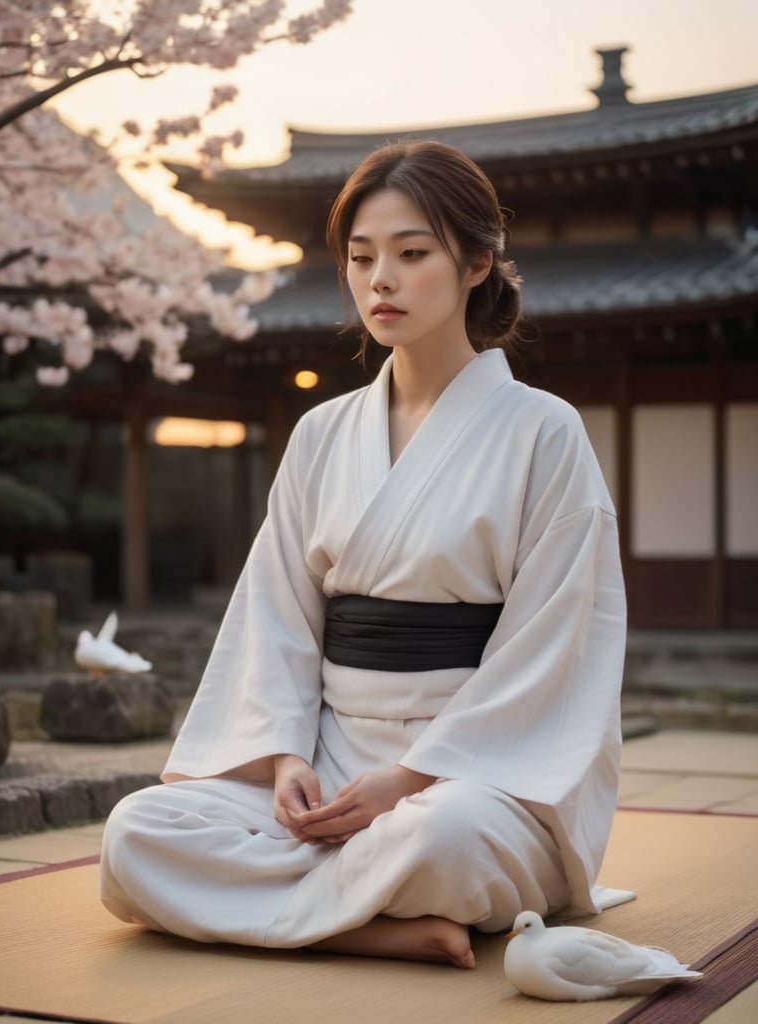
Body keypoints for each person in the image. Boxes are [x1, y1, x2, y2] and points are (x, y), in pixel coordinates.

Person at [100, 141, 632, 969]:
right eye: (360, 257)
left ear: (477, 263)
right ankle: (371, 926)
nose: (379, 278)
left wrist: (411, 781)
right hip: (328, 754)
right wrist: (283, 762)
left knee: (446, 842)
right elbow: (277, 615)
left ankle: (313, 901)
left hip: (472, 774)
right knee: (138, 831)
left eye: (412, 254)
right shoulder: (321, 434)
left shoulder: (543, 430)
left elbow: (555, 645)